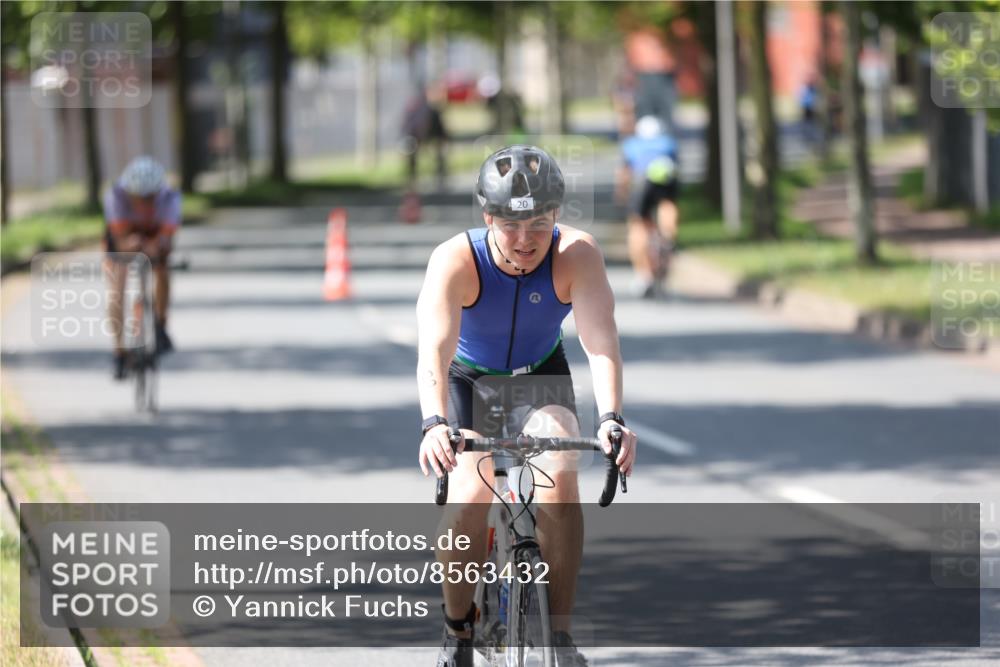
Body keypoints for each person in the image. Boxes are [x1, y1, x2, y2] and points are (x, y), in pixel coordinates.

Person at [416, 145, 638, 667]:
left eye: (539, 223)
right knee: (470, 491)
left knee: (560, 476)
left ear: (557, 215)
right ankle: (458, 631)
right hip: (469, 380)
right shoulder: (456, 260)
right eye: (511, 223)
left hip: (539, 377)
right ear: (488, 217)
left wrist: (611, 418)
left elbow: (601, 342)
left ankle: (558, 636)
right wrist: (434, 423)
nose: (525, 239)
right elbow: (434, 352)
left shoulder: (577, 255)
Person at [103, 156, 180, 379]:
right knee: (117, 290)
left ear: (158, 193)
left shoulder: (170, 198)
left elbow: (165, 240)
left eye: (150, 198)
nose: (144, 203)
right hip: (125, 236)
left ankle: (160, 325)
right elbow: (120, 241)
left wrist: (155, 247)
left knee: (162, 271)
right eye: (138, 198)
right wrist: (133, 245)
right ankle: (119, 352)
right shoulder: (116, 196)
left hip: (155, 233)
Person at [619, 116, 680, 298]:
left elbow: (625, 173)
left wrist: (622, 192)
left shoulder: (631, 145)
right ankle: (668, 236)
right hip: (666, 176)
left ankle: (644, 274)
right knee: (667, 204)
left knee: (638, 225)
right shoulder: (669, 143)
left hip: (642, 181)